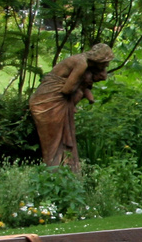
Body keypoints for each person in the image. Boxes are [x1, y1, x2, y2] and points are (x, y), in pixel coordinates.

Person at [28, 43, 113, 174]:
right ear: (99, 59)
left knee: (60, 140)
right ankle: (53, 174)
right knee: (53, 143)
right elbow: (67, 90)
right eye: (106, 63)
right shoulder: (82, 64)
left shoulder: (83, 62)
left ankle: (66, 171)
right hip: (47, 103)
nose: (106, 66)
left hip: (55, 102)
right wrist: (80, 89)